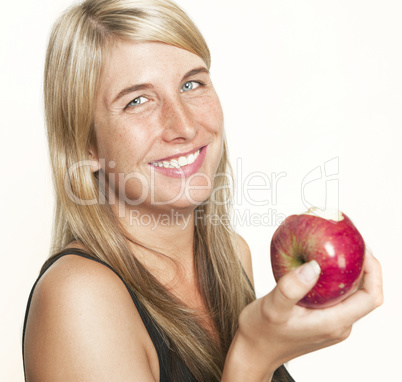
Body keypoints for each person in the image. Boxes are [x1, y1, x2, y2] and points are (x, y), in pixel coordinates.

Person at [22, 0, 383, 381]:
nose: (184, 126)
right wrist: (254, 354)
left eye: (191, 84)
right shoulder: (79, 299)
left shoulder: (231, 257)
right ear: (85, 146)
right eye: (137, 100)